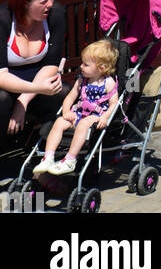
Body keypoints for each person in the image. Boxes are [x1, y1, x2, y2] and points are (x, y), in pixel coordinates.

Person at [35, 39, 118, 177]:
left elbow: (114, 103)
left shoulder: (108, 82)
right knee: (60, 121)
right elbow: (70, 96)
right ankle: (48, 157)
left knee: (84, 123)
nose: (81, 66)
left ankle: (70, 159)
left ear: (101, 68)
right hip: (79, 113)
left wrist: (105, 117)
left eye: (86, 64)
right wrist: (66, 111)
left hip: (96, 116)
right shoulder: (82, 79)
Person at [0, 0, 65, 137]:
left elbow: (51, 64)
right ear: (26, 2)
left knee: (64, 92)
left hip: (36, 86)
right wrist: (36, 88)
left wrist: (24, 99)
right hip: (6, 85)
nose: (50, 5)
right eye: (44, 1)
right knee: (2, 99)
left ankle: (44, 146)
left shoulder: (55, 14)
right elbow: (1, 76)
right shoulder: (4, 20)